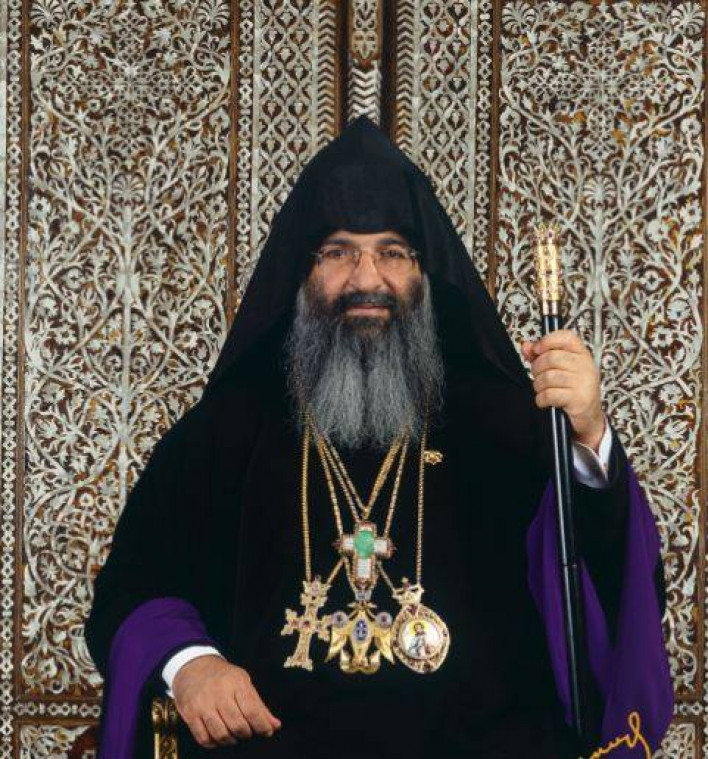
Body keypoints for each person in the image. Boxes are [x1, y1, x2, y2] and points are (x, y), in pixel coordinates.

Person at [85, 115, 673, 758]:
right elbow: (133, 585)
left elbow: (603, 583)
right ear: (302, 274)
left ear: (425, 273)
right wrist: (191, 664)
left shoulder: (499, 420)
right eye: (338, 252)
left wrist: (587, 436)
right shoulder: (230, 427)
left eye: (392, 252)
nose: (367, 278)